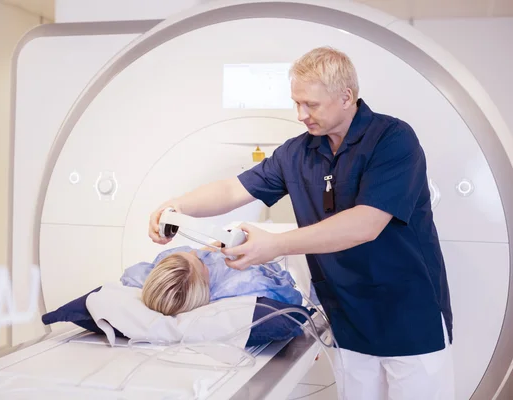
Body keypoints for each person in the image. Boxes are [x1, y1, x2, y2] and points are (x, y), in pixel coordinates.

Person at [148, 46, 454, 399]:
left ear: (346, 97)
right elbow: (234, 188)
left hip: (408, 317)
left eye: (310, 104)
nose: (300, 114)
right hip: (348, 320)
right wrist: (177, 205)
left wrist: (275, 244)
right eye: (296, 103)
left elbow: (365, 224)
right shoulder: (298, 152)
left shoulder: (393, 139)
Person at [120, 242, 304, 316]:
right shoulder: (245, 284)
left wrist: (207, 250)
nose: (195, 252)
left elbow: (130, 275)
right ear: (203, 282)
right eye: (200, 260)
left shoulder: (144, 279)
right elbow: (293, 299)